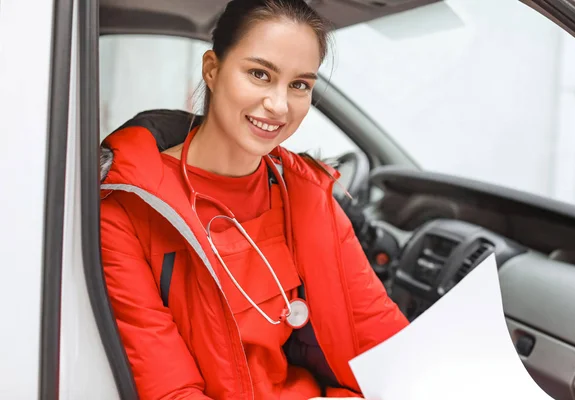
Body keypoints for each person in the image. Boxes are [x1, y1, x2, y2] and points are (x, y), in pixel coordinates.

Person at [99, 0, 409, 399]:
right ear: (212, 69)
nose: (279, 106)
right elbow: (172, 391)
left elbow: (383, 342)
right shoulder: (127, 207)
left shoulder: (307, 196)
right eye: (260, 74)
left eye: (299, 85)